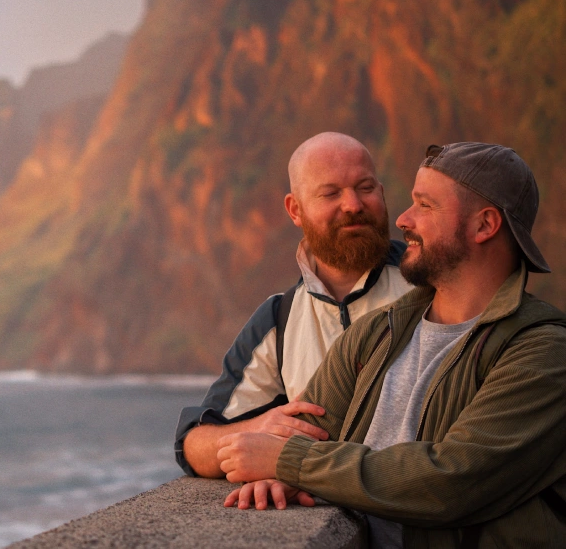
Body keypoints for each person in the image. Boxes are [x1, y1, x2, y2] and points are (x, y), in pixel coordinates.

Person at [218, 143, 566, 547]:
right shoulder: (374, 333)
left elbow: (451, 480)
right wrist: (281, 469)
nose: (403, 218)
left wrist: (290, 464)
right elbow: (304, 435)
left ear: (484, 225)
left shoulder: (543, 352)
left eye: (425, 205)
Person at [175, 132, 413, 478]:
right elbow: (194, 444)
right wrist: (260, 427)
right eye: (330, 193)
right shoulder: (279, 319)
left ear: (381, 192)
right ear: (294, 210)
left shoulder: (432, 281)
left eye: (365, 187)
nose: (353, 205)